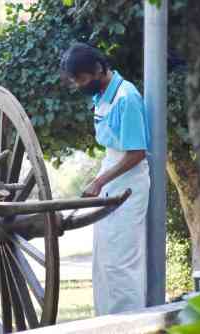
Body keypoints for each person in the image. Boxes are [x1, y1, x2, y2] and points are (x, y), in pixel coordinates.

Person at [60, 43, 151, 315]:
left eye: (82, 79)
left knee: (121, 262)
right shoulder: (101, 96)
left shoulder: (127, 97)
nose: (79, 85)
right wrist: (100, 179)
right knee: (103, 259)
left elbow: (136, 153)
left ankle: (130, 325)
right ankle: (106, 323)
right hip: (112, 173)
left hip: (129, 181)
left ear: (99, 69)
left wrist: (99, 181)